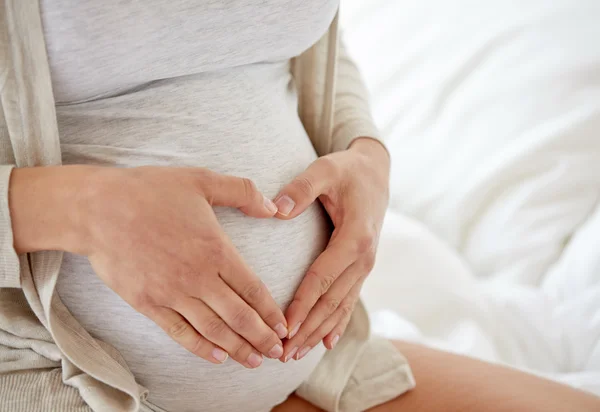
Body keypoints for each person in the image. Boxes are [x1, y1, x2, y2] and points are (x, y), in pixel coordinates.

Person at [1, 1, 599, 412]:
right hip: (52, 371)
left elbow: (294, 43)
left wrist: (365, 154)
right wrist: (85, 211)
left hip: (317, 368)